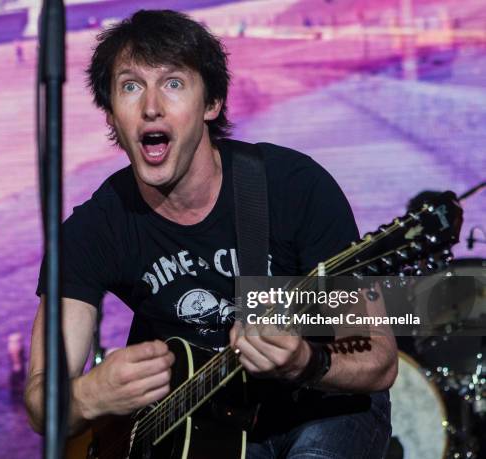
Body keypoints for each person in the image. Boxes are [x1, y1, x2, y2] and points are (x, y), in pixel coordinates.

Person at [25, 9, 398, 458]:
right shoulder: (95, 228)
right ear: (110, 115)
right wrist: (89, 397)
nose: (150, 106)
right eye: (130, 86)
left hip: (324, 406)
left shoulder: (292, 187)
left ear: (211, 104)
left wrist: (305, 361)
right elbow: (40, 400)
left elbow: (380, 358)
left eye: (174, 83)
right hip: (205, 426)